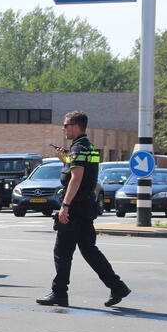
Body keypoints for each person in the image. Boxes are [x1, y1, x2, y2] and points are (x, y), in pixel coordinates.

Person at [37, 110, 131, 307]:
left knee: (62, 252)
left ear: (76, 126)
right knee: (89, 251)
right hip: (86, 206)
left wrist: (65, 206)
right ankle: (117, 286)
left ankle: (59, 293)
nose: (63, 129)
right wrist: (65, 160)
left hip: (76, 208)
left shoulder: (78, 149)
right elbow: (85, 172)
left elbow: (77, 178)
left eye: (66, 125)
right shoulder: (90, 148)